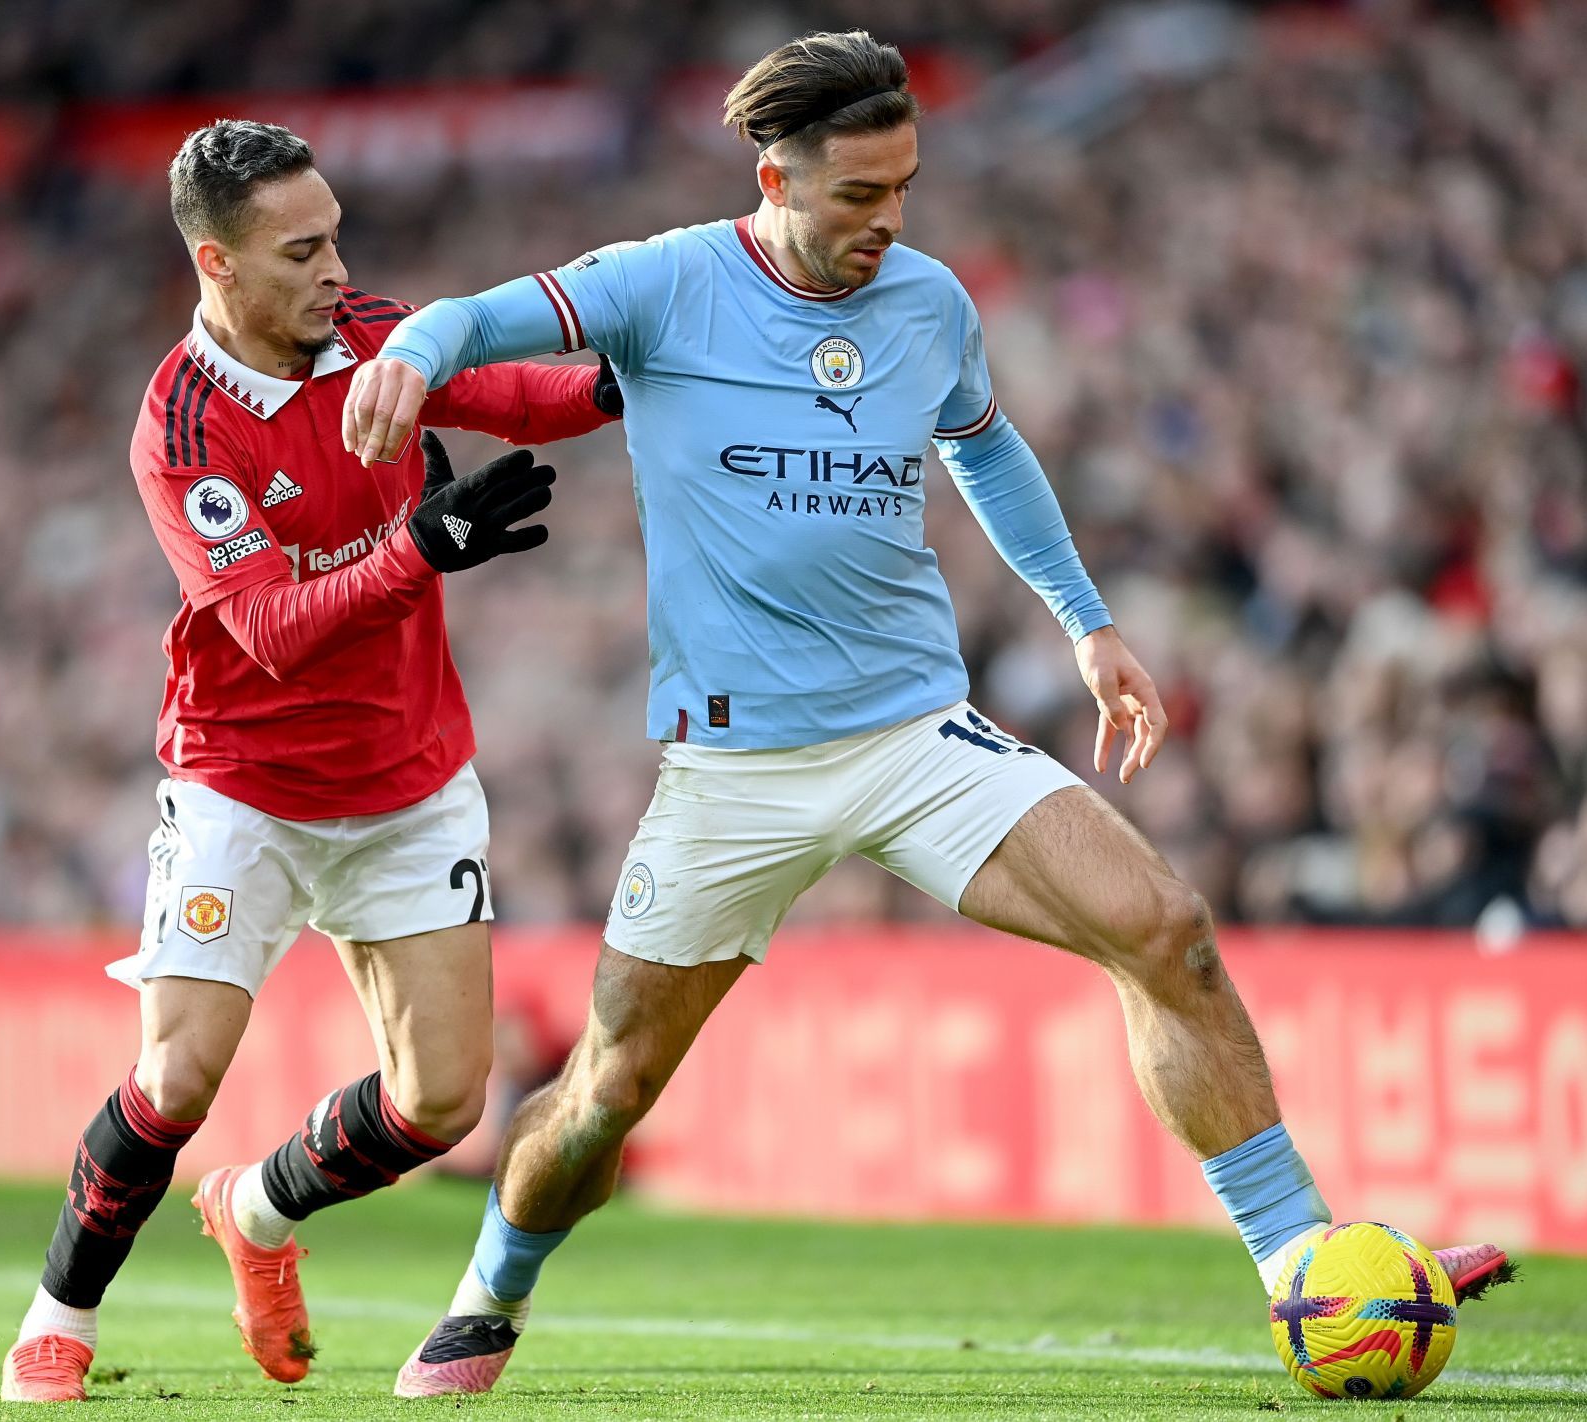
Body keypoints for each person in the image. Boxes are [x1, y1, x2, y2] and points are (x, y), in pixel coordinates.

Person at [343, 31, 1512, 1400]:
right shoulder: (666, 283)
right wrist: (410, 356)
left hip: (913, 735)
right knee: (606, 1090)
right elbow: (477, 318)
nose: (887, 221)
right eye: (858, 195)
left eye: (904, 189)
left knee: (1167, 933)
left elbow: (986, 441)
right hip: (734, 766)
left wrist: (1088, 622)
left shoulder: (928, 302)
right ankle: (492, 1288)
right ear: (774, 175)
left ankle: (1301, 1260)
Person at [0, 119, 620, 1403]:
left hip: (408, 778)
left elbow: (530, 395)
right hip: (245, 781)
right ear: (219, 265)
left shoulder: (375, 337)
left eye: (338, 234)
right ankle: (56, 1316)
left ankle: (259, 1214)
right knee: (175, 1078)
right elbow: (272, 630)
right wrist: (420, 552)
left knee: (444, 1104)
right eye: (305, 249)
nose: (339, 267)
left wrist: (649, 371)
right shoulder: (181, 430)